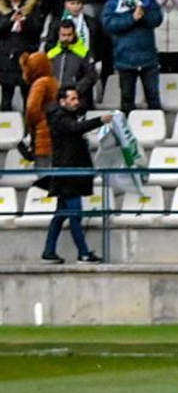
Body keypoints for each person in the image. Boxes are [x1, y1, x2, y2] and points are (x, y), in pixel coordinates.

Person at [40, 86, 108, 264]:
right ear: (62, 101)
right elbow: (74, 129)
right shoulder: (59, 118)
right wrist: (100, 120)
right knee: (75, 214)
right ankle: (83, 253)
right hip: (68, 174)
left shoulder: (65, 116)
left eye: (77, 98)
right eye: (72, 99)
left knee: (61, 214)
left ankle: (48, 251)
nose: (76, 102)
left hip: (70, 173)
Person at [101, 0, 163, 112]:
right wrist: (132, 18)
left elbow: (157, 19)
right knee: (127, 98)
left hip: (148, 58)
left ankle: (155, 127)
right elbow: (109, 24)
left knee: (153, 96)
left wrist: (142, 16)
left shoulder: (148, 0)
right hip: (124, 58)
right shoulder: (113, 3)